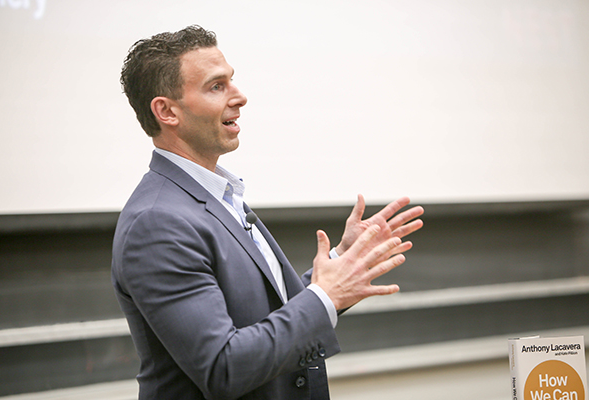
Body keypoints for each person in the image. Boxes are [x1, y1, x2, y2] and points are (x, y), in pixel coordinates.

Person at [112, 25, 424, 400]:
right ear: (167, 111)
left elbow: (269, 316)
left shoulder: (217, 195)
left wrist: (343, 262)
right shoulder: (157, 222)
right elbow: (222, 367)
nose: (239, 97)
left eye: (232, 81)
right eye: (216, 86)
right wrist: (325, 296)